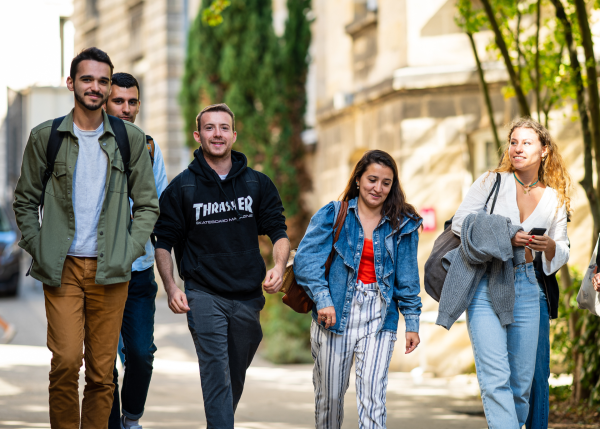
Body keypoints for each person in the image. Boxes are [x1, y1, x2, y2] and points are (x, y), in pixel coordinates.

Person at [12, 48, 159, 428]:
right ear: (71, 83)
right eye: (87, 79)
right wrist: (38, 246)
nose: (95, 87)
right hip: (62, 269)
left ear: (109, 86)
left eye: (102, 80)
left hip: (112, 271)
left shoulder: (131, 139)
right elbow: (25, 200)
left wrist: (127, 252)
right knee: (64, 362)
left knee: (100, 373)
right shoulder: (46, 137)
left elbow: (147, 205)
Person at [153, 103, 290, 428]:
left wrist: (279, 265)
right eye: (210, 128)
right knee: (216, 372)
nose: (217, 134)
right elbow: (162, 242)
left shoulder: (256, 184)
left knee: (233, 375)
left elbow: (279, 231)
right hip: (203, 295)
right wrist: (172, 287)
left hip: (247, 297)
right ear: (198, 135)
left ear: (233, 134)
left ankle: (220, 421)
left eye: (224, 127)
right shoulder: (183, 187)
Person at [446, 118, 570, 428]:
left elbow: (565, 248)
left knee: (521, 387)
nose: (517, 148)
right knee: (495, 379)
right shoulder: (491, 181)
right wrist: (505, 234)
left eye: (527, 143)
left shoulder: (554, 198)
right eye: (513, 142)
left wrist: (550, 245)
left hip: (529, 284)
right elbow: (460, 223)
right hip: (488, 283)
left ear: (544, 151)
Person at [293, 150, 422, 429]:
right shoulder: (333, 214)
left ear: (393, 186)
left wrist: (412, 322)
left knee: (374, 401)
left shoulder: (403, 223)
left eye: (386, 183)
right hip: (335, 314)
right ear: (359, 179)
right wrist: (323, 299)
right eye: (372, 179)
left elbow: (408, 278)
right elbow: (305, 261)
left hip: (380, 316)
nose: (378, 188)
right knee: (329, 401)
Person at [104, 72, 168, 429]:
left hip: (139, 272)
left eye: (132, 102)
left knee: (141, 355)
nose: (126, 109)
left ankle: (131, 418)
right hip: (95, 272)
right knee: (103, 364)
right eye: (119, 101)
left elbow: (157, 207)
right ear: (105, 102)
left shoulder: (149, 147)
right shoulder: (88, 142)